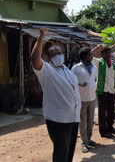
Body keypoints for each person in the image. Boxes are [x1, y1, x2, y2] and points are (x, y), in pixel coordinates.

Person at [31, 28, 81, 162]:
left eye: (59, 52)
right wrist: (41, 38)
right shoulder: (46, 70)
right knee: (61, 154)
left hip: (73, 118)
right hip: (58, 120)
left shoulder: (67, 71)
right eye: (54, 54)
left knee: (69, 151)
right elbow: (35, 59)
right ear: (47, 57)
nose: (58, 55)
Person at [71, 47, 98, 153]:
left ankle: (89, 139)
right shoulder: (76, 68)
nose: (92, 56)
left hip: (92, 97)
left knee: (90, 121)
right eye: (90, 55)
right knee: (83, 121)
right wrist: (80, 84)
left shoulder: (94, 67)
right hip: (81, 99)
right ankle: (84, 142)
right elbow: (70, 82)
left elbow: (94, 79)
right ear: (84, 56)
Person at [91, 43, 115, 138]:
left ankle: (110, 127)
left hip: (111, 91)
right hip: (102, 91)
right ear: (102, 55)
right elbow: (90, 54)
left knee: (111, 111)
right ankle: (103, 131)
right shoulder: (99, 62)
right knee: (102, 112)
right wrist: (97, 48)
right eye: (106, 53)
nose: (108, 54)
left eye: (109, 53)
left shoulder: (113, 65)